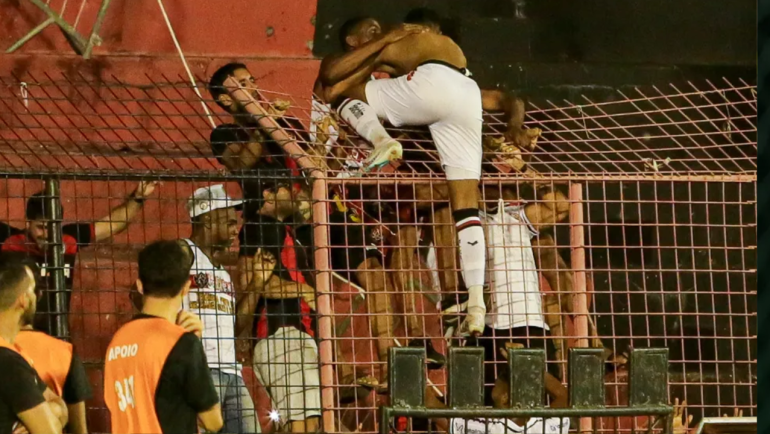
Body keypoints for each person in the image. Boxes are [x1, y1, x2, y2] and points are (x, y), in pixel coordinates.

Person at [316, 14, 490, 337]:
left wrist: (383, 39)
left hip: (432, 87)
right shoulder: (428, 46)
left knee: (345, 92)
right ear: (352, 40)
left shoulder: (394, 40)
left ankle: (381, 140)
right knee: (466, 208)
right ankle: (477, 304)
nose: (378, 30)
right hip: (468, 94)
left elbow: (329, 80)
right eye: (370, 30)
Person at [1, 181, 158, 335]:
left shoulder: (69, 239)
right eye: (41, 228)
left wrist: (137, 197)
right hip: (14, 332)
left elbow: (112, 224)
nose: (47, 235)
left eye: (52, 228)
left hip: (56, 333)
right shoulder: (10, 241)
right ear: (28, 224)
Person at [103, 240, 223, 434]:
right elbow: (213, 422)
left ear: (140, 286)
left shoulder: (117, 340)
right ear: (185, 288)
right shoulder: (182, 343)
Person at [181, 185, 260, 434]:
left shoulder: (223, 273)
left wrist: (257, 284)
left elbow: (236, 327)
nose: (235, 228)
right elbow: (143, 293)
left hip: (230, 371)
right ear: (207, 220)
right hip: (200, 369)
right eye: (227, 221)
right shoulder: (183, 252)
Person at [0, 260, 68, 434]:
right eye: (32, 289)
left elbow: (59, 405)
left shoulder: (13, 353)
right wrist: (51, 414)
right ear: (23, 300)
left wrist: (52, 410)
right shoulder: (9, 363)